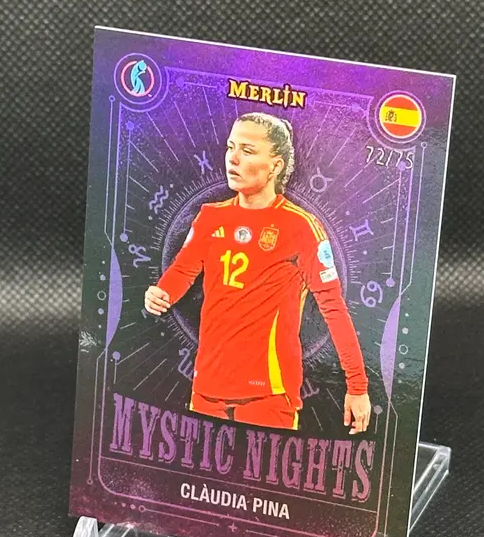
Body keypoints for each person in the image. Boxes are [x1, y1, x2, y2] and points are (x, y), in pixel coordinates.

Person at [144, 112, 371, 434]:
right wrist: (161, 292)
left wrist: (357, 387)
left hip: (268, 393)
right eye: (230, 147)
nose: (233, 159)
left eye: (247, 151)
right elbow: (183, 270)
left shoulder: (302, 227)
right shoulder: (210, 216)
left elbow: (333, 308)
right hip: (207, 386)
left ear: (276, 165)